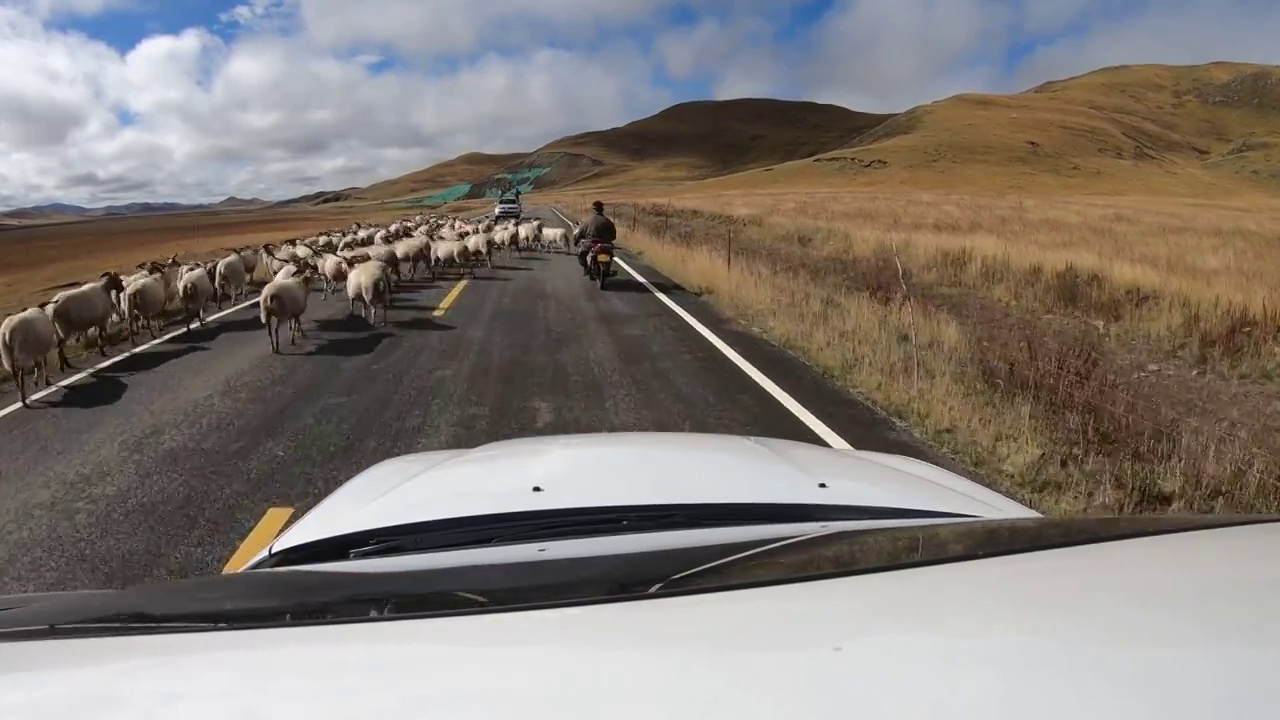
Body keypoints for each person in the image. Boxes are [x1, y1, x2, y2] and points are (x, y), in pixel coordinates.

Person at [574, 200, 617, 276]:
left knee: (582, 254)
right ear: (602, 210)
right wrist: (608, 240)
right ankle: (606, 270)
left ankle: (586, 268)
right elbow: (613, 236)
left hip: (591, 243)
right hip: (605, 244)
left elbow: (580, 233)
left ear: (593, 210)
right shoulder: (608, 221)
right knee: (609, 255)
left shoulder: (587, 221)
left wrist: (576, 242)